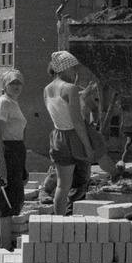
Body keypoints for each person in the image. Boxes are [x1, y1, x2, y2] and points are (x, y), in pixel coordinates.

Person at [44, 51, 94, 215]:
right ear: (64, 68)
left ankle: (58, 223)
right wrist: (87, 146)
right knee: (81, 180)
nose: (75, 73)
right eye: (73, 69)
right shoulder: (70, 89)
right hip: (73, 137)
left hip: (57, 136)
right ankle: (71, 217)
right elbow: (77, 122)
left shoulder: (47, 89)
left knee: (61, 186)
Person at [0, 69, 28, 251]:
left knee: (5, 200)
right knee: (5, 201)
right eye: (13, 83)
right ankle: (5, 247)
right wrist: (1, 163)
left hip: (16, 153)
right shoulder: (3, 103)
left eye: (19, 83)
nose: (16, 86)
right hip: (6, 152)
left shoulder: (13, 103)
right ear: (4, 85)